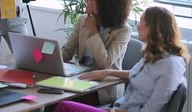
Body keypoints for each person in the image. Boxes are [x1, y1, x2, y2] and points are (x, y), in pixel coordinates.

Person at [54, 6, 190, 112]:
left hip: (121, 110)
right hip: (119, 107)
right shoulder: (153, 55)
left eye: (142, 21)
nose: (138, 25)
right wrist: (108, 72)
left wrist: (113, 110)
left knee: (65, 107)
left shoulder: (171, 65)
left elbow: (150, 110)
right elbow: (133, 73)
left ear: (155, 29)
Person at [61, 0, 133, 104]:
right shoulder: (83, 19)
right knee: (49, 98)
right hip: (80, 80)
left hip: (103, 88)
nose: (88, 0)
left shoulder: (123, 30)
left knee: (61, 104)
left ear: (105, 6)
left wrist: (94, 31)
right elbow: (67, 52)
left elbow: (105, 63)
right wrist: (49, 60)